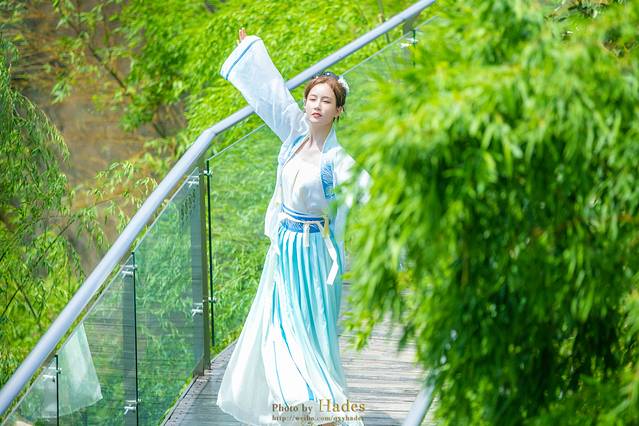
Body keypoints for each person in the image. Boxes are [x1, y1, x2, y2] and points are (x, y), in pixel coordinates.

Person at [216, 28, 370, 426]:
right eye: (312, 99)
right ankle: (304, 407)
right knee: (277, 330)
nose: (317, 105)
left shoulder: (339, 162)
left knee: (309, 336)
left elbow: (375, 198)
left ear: (338, 111)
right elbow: (271, 96)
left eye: (327, 101)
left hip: (314, 255)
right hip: (284, 250)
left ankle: (319, 408)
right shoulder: (295, 136)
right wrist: (250, 51)